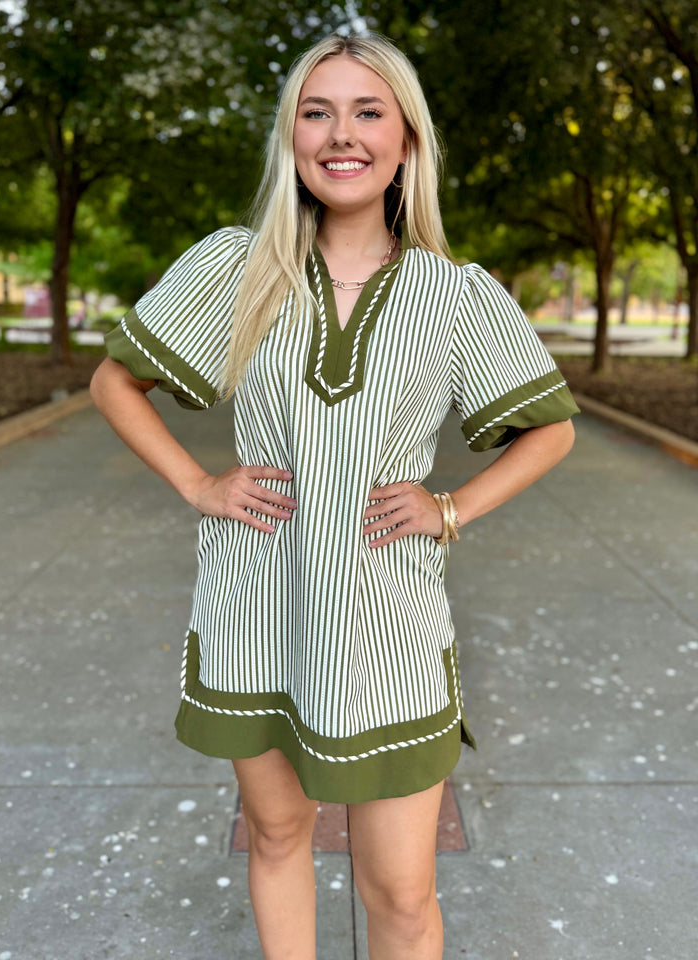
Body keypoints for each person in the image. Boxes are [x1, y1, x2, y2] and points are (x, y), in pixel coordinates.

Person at [91, 31, 578, 960]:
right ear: (293, 138)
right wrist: (198, 481)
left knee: (398, 892)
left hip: (387, 623)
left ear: (407, 143)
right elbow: (114, 383)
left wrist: (450, 509)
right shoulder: (239, 266)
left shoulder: (457, 294)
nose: (340, 134)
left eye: (367, 112)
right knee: (278, 837)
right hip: (256, 609)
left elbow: (550, 428)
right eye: (317, 112)